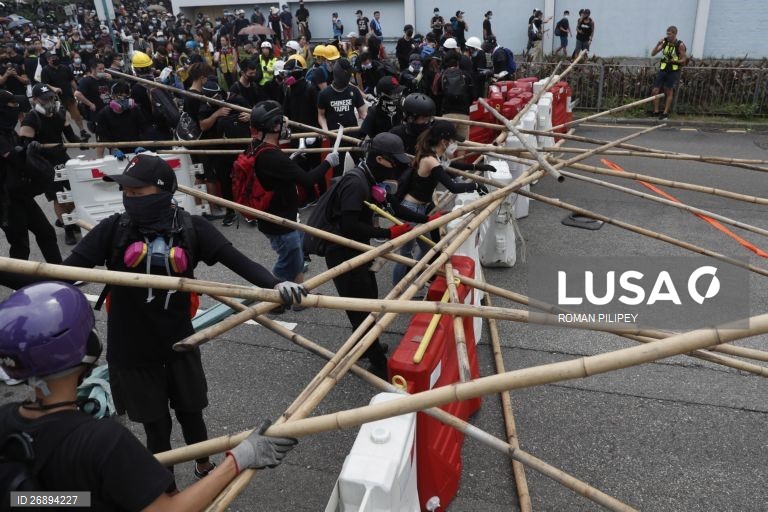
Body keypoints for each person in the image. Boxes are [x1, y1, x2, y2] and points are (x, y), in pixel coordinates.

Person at [0, 281, 298, 509]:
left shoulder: (6, 422)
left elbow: (34, 500)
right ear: (86, 348)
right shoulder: (103, 443)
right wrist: (240, 458)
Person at [322, 133, 413, 379]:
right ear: (380, 159)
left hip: (358, 249)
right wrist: (387, 232)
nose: (396, 168)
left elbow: (393, 204)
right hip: (343, 253)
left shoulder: (370, 176)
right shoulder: (356, 183)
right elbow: (349, 226)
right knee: (361, 307)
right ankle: (376, 361)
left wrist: (426, 220)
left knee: (369, 299)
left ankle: (365, 346)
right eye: (393, 162)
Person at [391, 120, 492, 285]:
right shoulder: (430, 159)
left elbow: (452, 165)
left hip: (422, 208)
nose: (453, 144)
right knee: (406, 253)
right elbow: (453, 187)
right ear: (443, 140)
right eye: (452, 140)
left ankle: (418, 282)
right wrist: (475, 185)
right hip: (411, 209)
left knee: (426, 250)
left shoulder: (435, 155)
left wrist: (478, 166)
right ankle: (397, 291)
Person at [249, 100, 338, 284]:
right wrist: (329, 161)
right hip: (279, 223)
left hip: (278, 216)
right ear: (273, 126)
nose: (285, 125)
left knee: (297, 257)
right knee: (287, 261)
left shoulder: (255, 146)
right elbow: (308, 180)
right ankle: (273, 293)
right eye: (281, 121)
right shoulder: (273, 157)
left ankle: (300, 292)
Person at [0, 90, 61, 264]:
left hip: (20, 194)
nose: (17, 109)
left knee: (46, 233)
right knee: (20, 244)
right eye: (12, 106)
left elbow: (20, 151)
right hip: (5, 201)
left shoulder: (8, 132)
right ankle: (19, 287)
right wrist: (31, 154)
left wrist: (34, 148)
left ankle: (62, 276)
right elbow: (17, 160)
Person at [18, 83, 83, 246]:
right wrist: (31, 146)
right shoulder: (32, 118)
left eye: (51, 98)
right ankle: (68, 228)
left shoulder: (60, 113)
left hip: (62, 157)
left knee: (76, 192)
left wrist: (82, 143)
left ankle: (66, 220)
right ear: (35, 100)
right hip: (44, 163)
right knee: (59, 197)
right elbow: (23, 145)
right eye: (45, 99)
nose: (49, 102)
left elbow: (70, 137)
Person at [317, 59, 367, 176]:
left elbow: (363, 113)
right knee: (338, 170)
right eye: (348, 74)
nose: (350, 76)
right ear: (341, 74)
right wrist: (325, 129)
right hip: (336, 137)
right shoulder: (325, 94)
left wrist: (370, 121)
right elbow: (321, 115)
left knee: (362, 165)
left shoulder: (353, 90)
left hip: (354, 135)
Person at [94, 80, 147, 159]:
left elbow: (143, 128)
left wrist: (140, 145)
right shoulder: (104, 114)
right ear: (113, 96)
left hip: (136, 148)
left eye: (126, 97)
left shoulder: (134, 110)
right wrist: (113, 149)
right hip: (117, 150)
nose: (123, 99)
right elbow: (102, 136)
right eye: (120, 96)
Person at [41, 51, 87, 139]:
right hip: (55, 98)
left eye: (55, 57)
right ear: (48, 60)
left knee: (76, 114)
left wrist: (77, 90)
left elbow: (71, 80)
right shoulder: (45, 70)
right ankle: (61, 136)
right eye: (52, 58)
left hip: (68, 95)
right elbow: (45, 84)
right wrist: (54, 88)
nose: (54, 59)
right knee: (59, 118)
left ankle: (82, 130)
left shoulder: (64, 68)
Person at [651, 26, 687, 120]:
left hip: (673, 71)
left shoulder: (680, 45)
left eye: (669, 34)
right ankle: (656, 111)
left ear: (675, 34)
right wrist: (658, 44)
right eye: (667, 33)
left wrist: (674, 61)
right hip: (663, 69)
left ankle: (665, 113)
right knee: (655, 90)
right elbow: (653, 53)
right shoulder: (665, 42)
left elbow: (683, 60)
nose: (668, 35)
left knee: (668, 91)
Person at [434, 53, 472, 137]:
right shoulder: (466, 75)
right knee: (464, 145)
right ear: (458, 63)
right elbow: (474, 95)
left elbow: (436, 94)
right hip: (464, 113)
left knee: (445, 143)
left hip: (447, 113)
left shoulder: (442, 75)